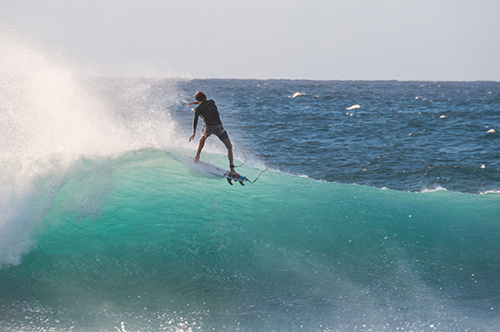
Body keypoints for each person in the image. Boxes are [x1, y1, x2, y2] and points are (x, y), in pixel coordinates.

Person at [188, 91, 239, 176]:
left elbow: (195, 120)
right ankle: (232, 169)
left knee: (203, 138)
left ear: (197, 99)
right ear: (205, 97)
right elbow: (205, 102)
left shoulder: (198, 109)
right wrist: (197, 102)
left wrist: (194, 131)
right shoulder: (212, 102)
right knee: (229, 146)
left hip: (208, 127)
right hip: (218, 126)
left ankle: (197, 157)